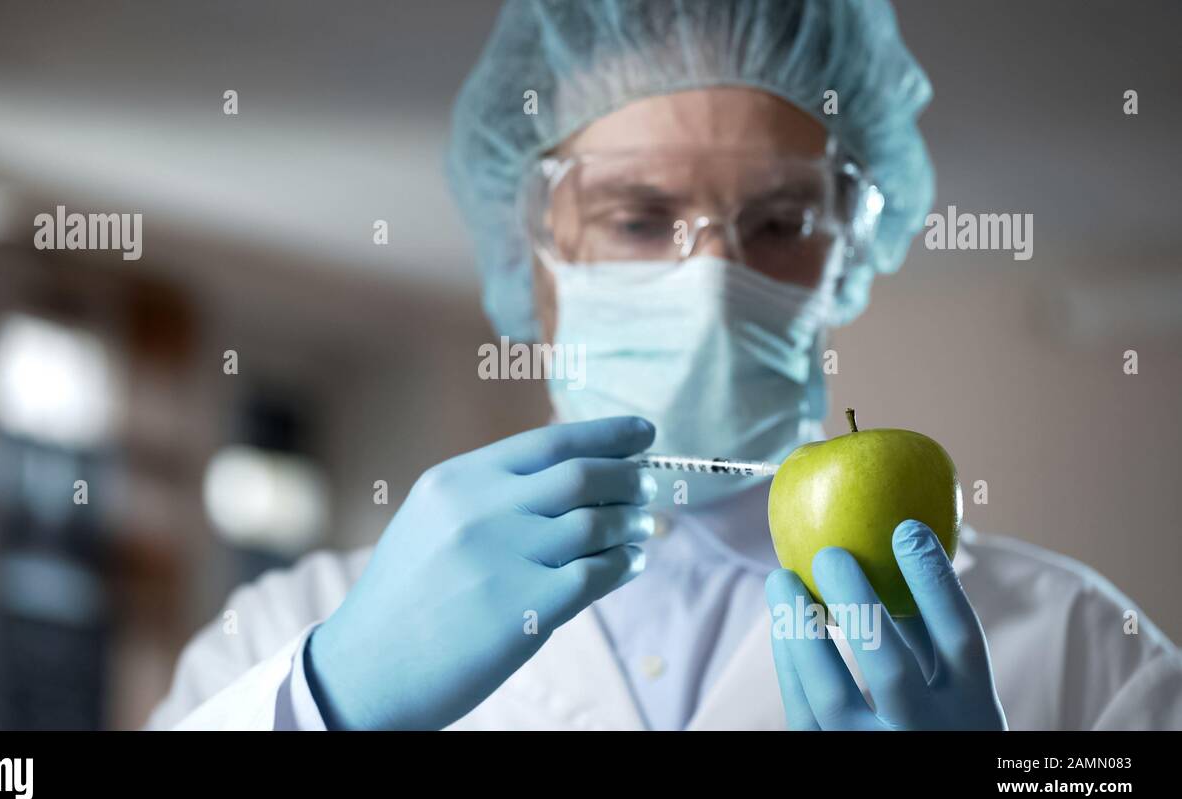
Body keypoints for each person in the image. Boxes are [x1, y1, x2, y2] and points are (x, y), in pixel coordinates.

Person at [147, 0, 1181, 731]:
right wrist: (327, 700)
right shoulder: (292, 630)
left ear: (846, 252)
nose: (711, 277)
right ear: (530, 253)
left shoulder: (1075, 642)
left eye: (778, 220)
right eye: (639, 217)